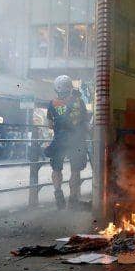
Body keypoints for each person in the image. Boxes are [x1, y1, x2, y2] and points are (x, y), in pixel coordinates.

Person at [45, 75, 90, 210]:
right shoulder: (79, 102)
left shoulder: (52, 103)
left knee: (56, 169)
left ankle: (59, 196)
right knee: (75, 170)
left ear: (56, 88)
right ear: (70, 87)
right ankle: (73, 200)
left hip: (59, 140)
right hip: (76, 141)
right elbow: (86, 122)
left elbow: (49, 125)